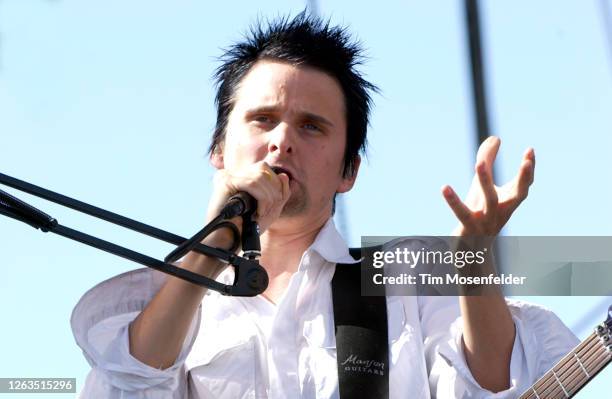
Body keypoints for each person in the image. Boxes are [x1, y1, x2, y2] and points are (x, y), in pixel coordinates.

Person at [71, 11, 578, 399]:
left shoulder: (404, 285)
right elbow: (128, 384)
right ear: (218, 151)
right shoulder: (180, 307)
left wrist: (471, 259)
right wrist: (216, 238)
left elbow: (498, 385)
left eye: (311, 126)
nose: (282, 141)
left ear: (348, 171)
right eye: (262, 119)